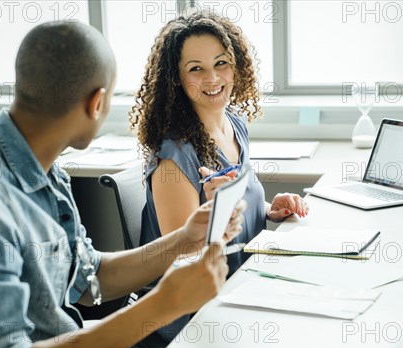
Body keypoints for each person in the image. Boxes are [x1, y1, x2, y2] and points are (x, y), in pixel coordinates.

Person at [0, 21, 245, 348]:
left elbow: (89, 279)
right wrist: (164, 304)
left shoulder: (44, 168)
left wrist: (183, 240)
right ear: (96, 102)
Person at [130, 11, 309, 279]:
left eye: (221, 63)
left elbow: (241, 204)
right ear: (176, 78)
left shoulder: (235, 124)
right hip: (195, 307)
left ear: (236, 65)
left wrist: (269, 209)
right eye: (196, 68)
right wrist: (215, 215)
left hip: (243, 279)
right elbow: (183, 257)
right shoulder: (174, 155)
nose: (212, 78)